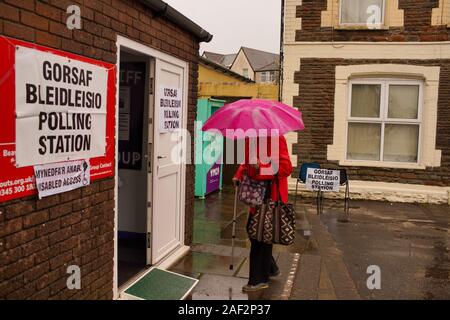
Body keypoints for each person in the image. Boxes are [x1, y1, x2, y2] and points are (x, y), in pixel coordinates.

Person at [233, 135, 293, 292]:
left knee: (260, 234)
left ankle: (259, 280)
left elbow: (286, 168)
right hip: (256, 193)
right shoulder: (250, 138)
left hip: (270, 194)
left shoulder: (276, 138)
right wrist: (239, 174)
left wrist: (261, 167)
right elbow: (246, 163)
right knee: (253, 230)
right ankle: (270, 267)